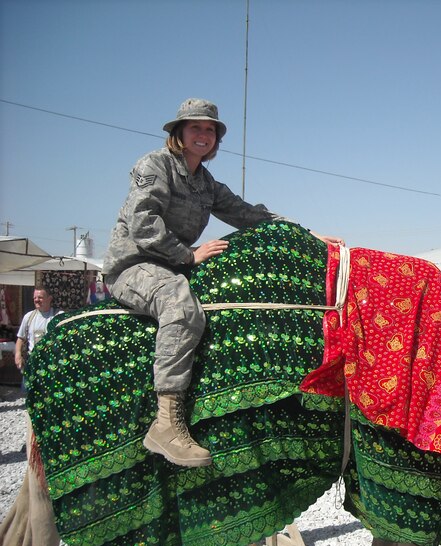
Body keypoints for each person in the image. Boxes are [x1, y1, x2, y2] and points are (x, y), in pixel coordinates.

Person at [103, 98, 342, 468]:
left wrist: (307, 234)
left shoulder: (206, 184)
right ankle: (165, 425)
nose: (203, 134)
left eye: (210, 129)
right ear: (179, 133)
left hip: (173, 266)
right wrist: (188, 256)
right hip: (137, 264)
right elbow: (142, 222)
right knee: (181, 309)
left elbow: (251, 215)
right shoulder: (155, 165)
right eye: (196, 127)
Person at [14, 287, 62, 386]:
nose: (36, 300)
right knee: (30, 393)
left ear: (49, 299)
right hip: (33, 362)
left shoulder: (58, 316)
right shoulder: (29, 317)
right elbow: (21, 338)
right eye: (35, 298)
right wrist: (18, 354)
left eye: (40, 297)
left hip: (52, 363)